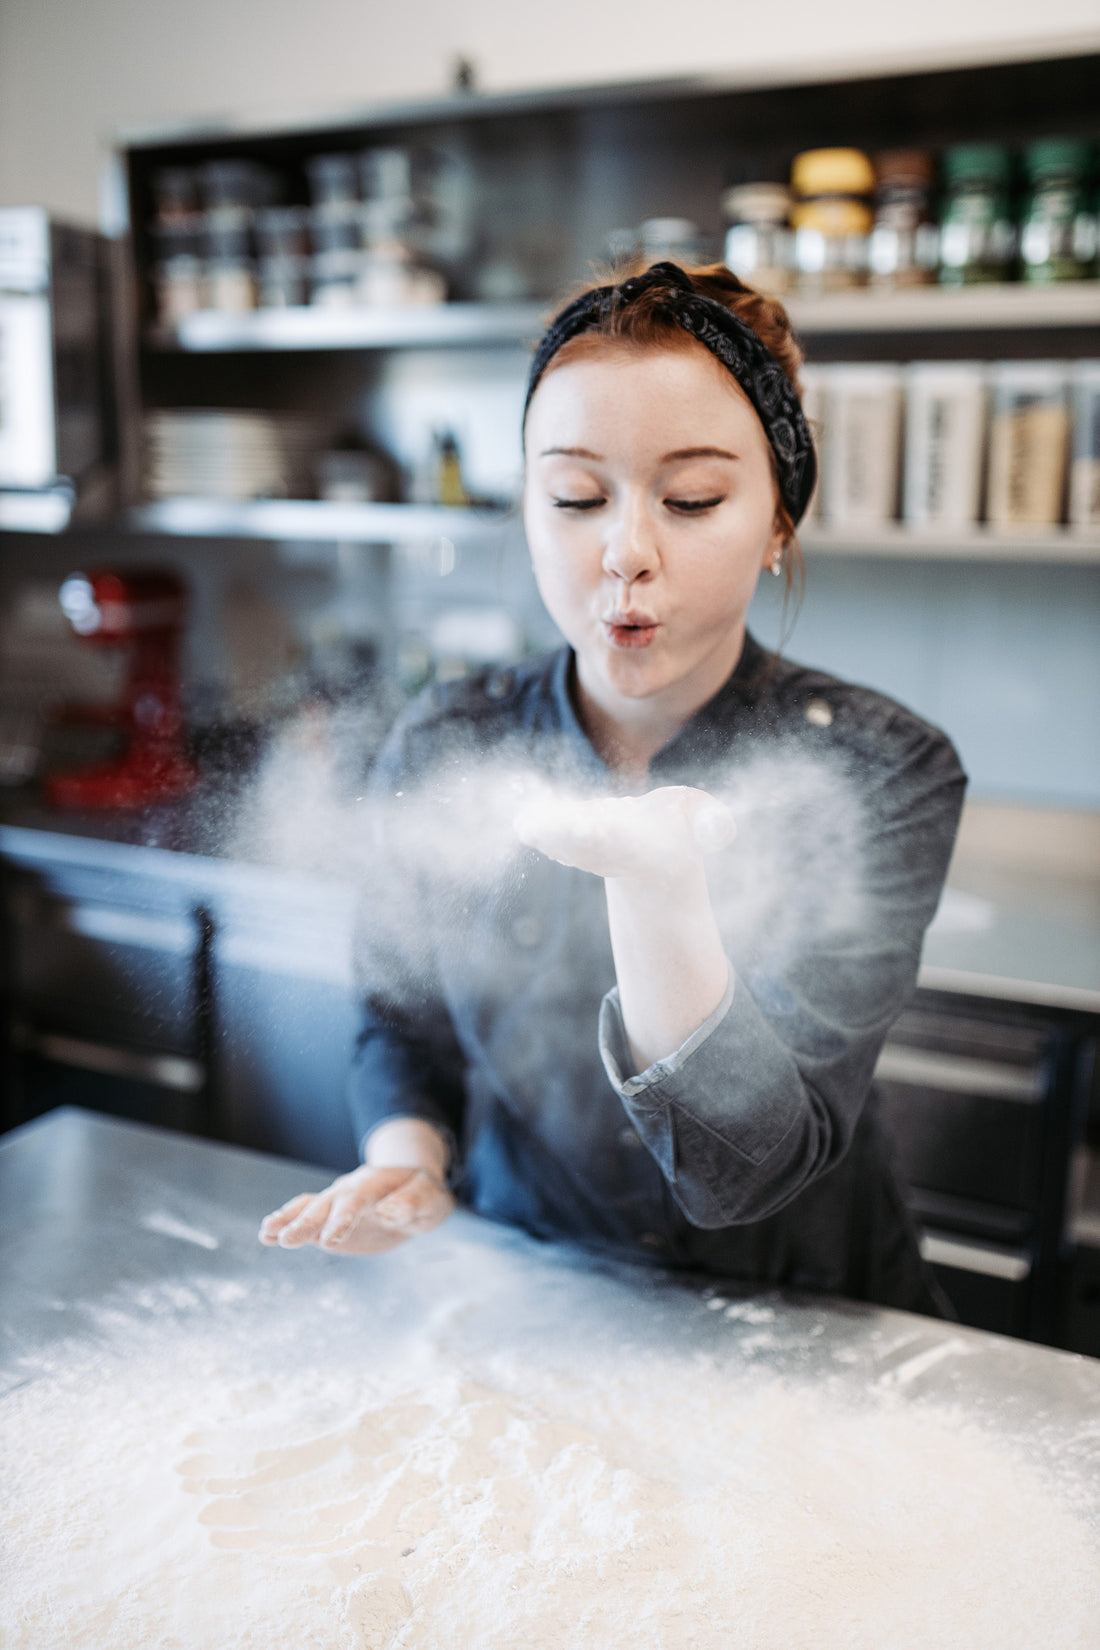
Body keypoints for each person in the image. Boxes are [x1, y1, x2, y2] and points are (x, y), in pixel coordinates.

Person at [260, 260, 965, 1314]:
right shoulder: (448, 739)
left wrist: (657, 888)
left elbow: (746, 1172)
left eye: (690, 499)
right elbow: (400, 1021)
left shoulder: (875, 768)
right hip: (533, 1294)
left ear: (777, 521)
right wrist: (405, 1160)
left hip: (800, 1321)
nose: (624, 552)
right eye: (575, 496)